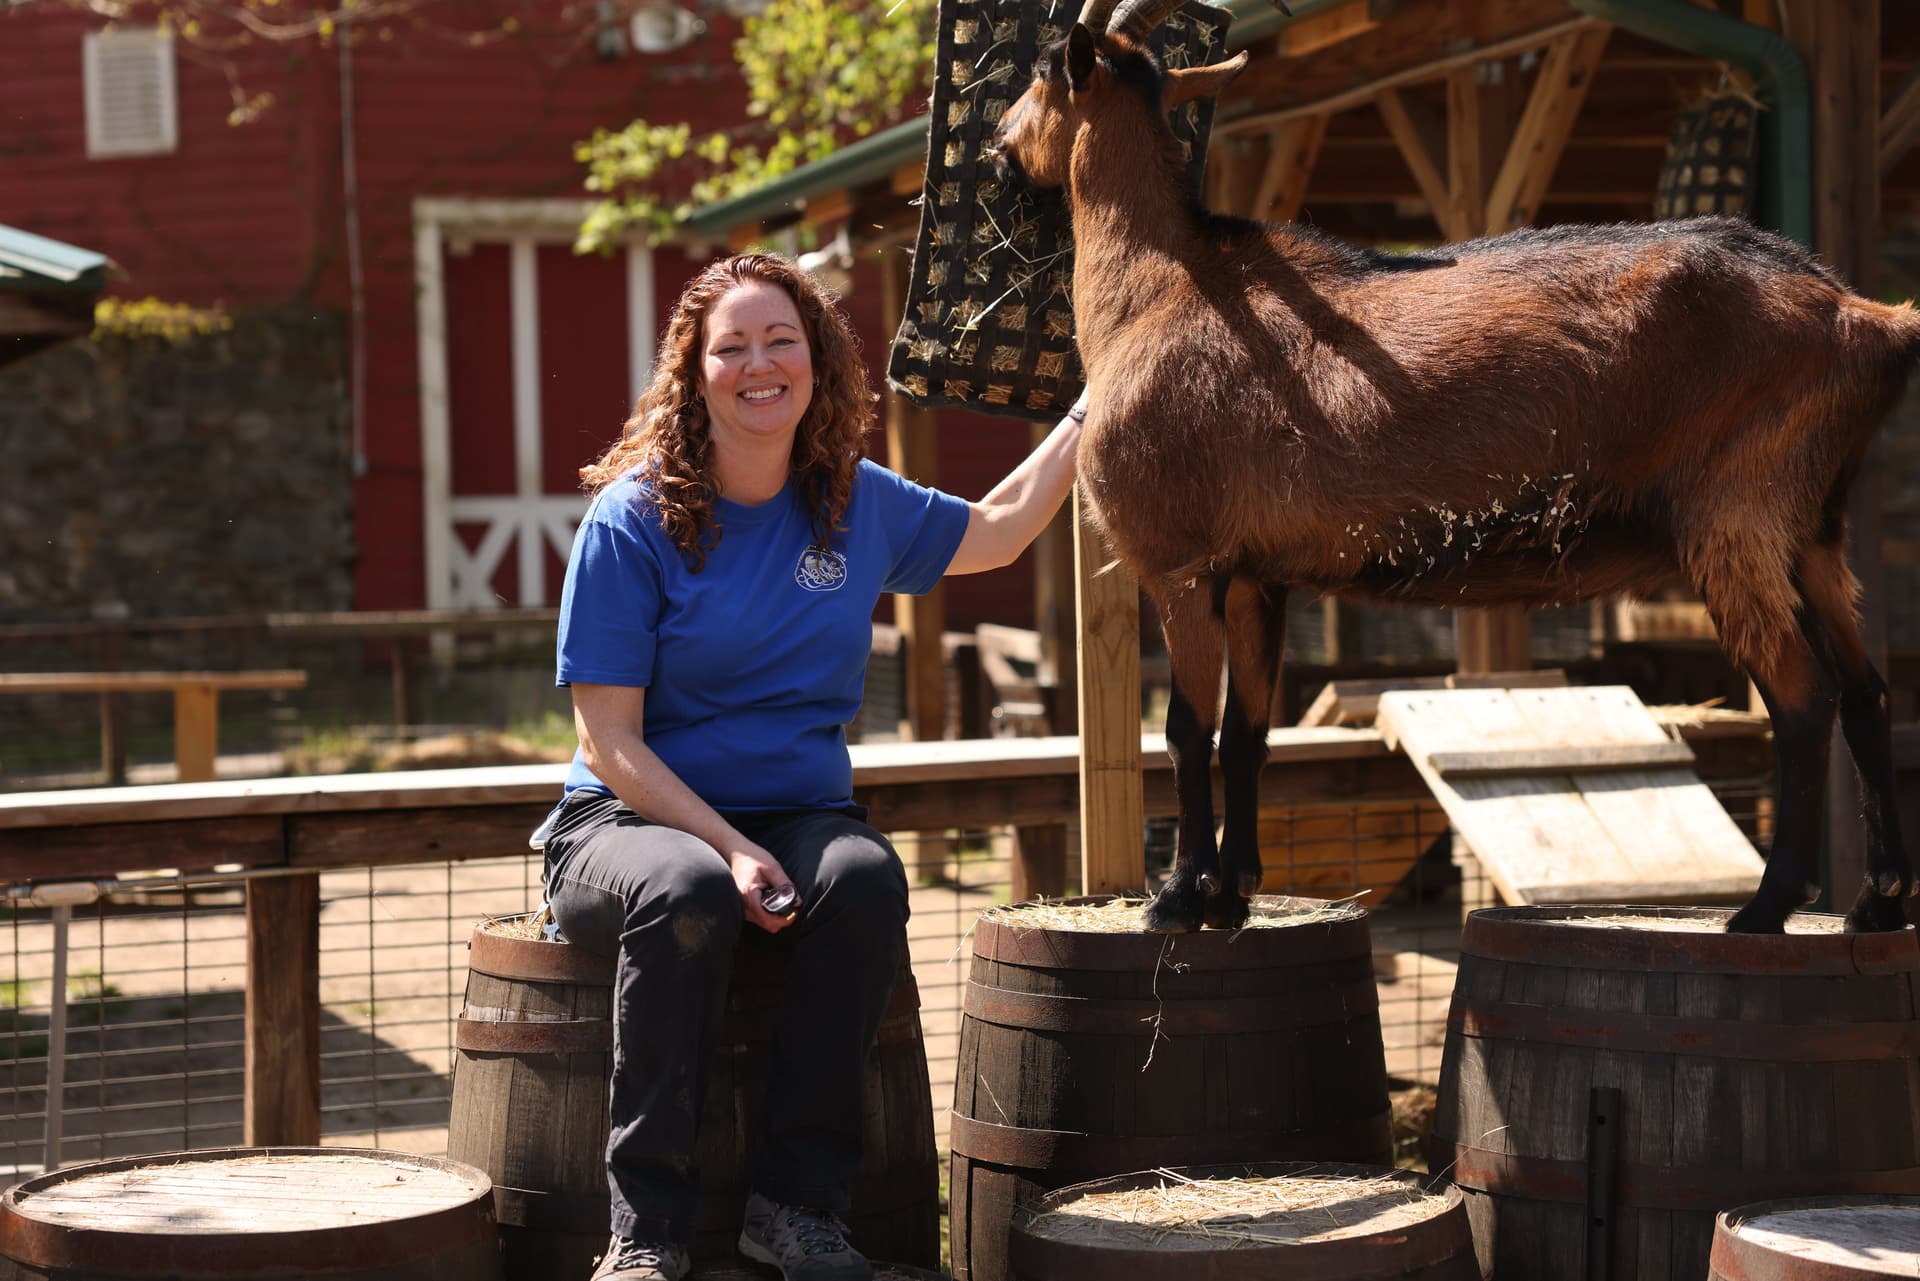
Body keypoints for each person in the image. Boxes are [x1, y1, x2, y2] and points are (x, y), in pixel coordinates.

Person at [537, 252, 1085, 1281]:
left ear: (819, 360)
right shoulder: (634, 517)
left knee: (867, 878)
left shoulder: (855, 503)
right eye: (730, 346)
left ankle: (796, 1208)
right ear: (693, 373)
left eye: (780, 339)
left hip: (797, 815)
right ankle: (645, 1234)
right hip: (623, 825)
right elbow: (611, 743)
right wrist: (734, 850)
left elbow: (1004, 528)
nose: (759, 363)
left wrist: (1093, 407)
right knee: (688, 888)